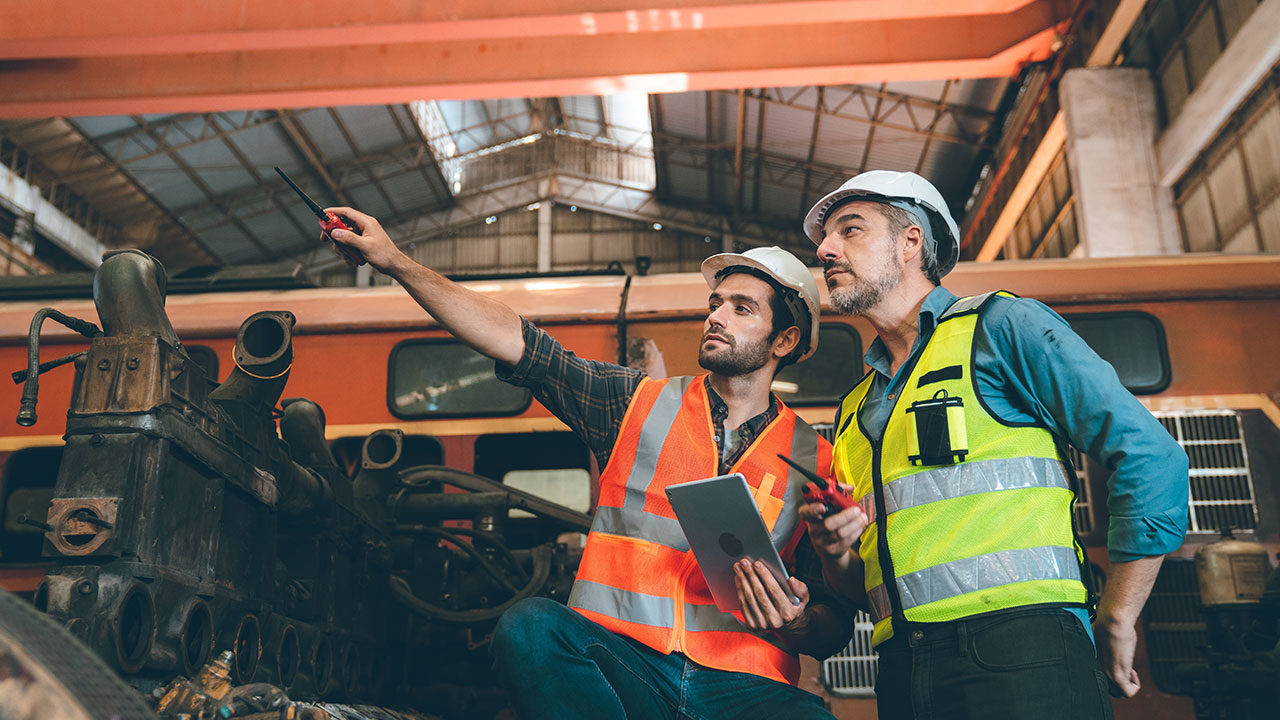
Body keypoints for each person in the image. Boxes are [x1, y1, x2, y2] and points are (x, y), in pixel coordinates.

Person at [320, 207, 856, 720]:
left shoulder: (818, 460)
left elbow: (834, 626)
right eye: (716, 303)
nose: (715, 315)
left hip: (740, 690)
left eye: (741, 308)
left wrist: (798, 621)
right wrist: (394, 261)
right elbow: (518, 343)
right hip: (624, 665)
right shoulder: (633, 405)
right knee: (529, 627)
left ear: (784, 339)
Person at [796, 171, 1190, 719]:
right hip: (903, 671)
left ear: (911, 243)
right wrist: (835, 551)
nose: (825, 249)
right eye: (826, 239)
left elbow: (1150, 456)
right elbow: (864, 589)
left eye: (850, 230)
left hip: (1024, 654)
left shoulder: (1003, 328)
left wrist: (1120, 614)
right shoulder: (856, 410)